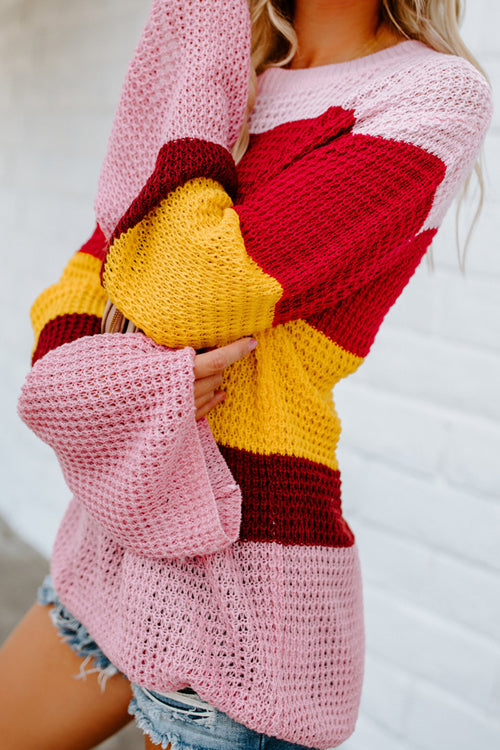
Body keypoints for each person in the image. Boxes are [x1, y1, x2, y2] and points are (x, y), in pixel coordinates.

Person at [0, 1, 493, 749]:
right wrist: (92, 378)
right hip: (106, 547)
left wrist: (200, 48)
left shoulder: (430, 95)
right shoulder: (233, 75)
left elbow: (186, 288)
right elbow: (91, 263)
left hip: (239, 589)